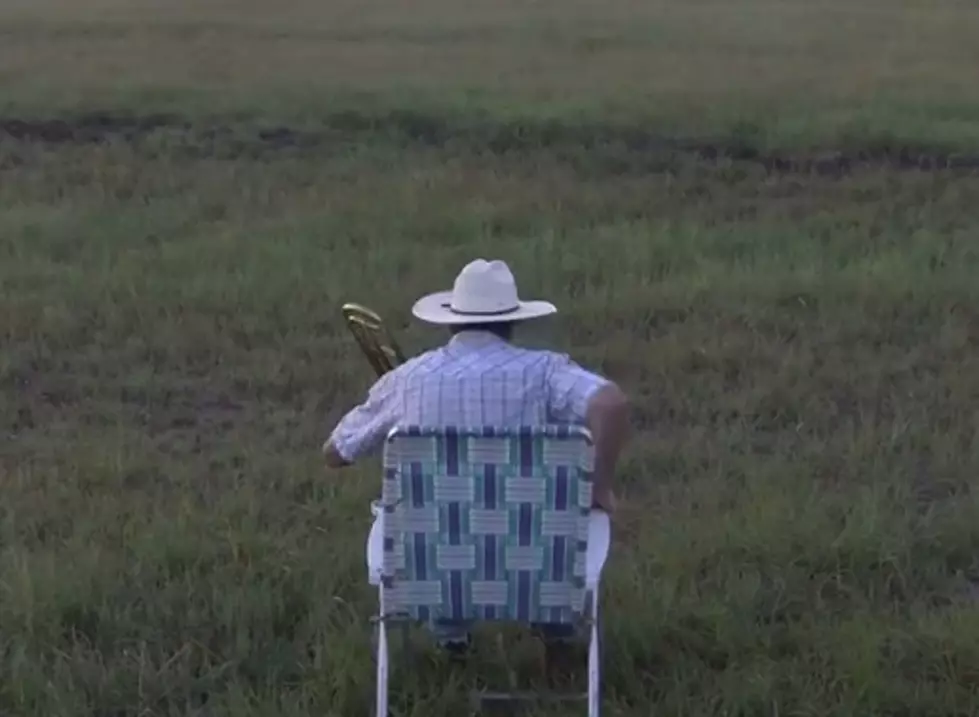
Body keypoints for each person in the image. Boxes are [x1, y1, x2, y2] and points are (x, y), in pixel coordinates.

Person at [322, 258, 630, 656]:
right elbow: (612, 404)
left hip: (434, 568)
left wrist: (385, 398)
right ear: (513, 322)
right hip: (533, 562)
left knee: (437, 526)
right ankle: (554, 630)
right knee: (540, 531)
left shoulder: (408, 379)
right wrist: (600, 486)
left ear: (452, 320)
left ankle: (450, 630)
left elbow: (335, 452)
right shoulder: (545, 372)